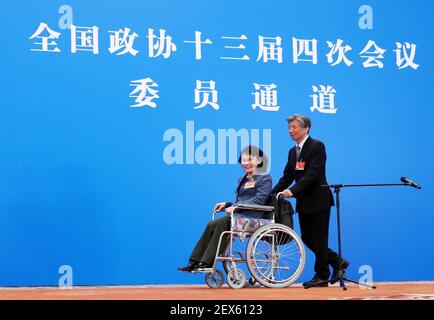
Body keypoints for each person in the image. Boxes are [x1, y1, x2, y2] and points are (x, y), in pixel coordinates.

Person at [271, 114, 349, 288]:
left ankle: (322, 275)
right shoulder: (293, 152)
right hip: (304, 202)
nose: (290, 131)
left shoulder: (317, 146)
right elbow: (287, 177)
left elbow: (312, 175)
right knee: (307, 238)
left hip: (319, 200)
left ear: (305, 129)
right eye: (289, 127)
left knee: (320, 239)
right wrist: (272, 193)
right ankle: (337, 261)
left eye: (294, 127)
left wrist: (292, 191)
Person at [178, 145, 272, 272]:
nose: (245, 163)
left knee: (222, 223)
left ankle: (206, 262)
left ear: (259, 160)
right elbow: (240, 201)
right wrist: (227, 205)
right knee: (212, 224)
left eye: (249, 159)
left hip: (254, 217)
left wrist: (235, 206)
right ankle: (194, 261)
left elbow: (259, 200)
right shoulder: (242, 179)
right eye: (243, 160)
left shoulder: (264, 177)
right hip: (239, 216)